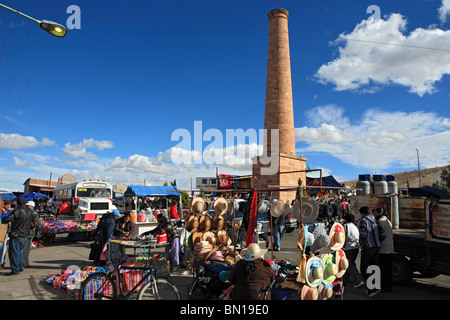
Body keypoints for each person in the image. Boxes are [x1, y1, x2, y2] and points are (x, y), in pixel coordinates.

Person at [358, 206, 386, 297]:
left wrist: (362, 242)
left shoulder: (363, 220)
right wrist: (377, 241)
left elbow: (363, 234)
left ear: (362, 213)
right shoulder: (375, 220)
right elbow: (383, 234)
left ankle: (371, 289)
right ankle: (376, 287)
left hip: (368, 247)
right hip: (376, 247)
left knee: (364, 269)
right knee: (374, 268)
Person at [1, 197, 33, 275]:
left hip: (17, 234)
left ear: (18, 203)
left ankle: (15, 269)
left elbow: (7, 219)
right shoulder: (29, 211)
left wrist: (4, 215)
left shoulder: (17, 211)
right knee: (19, 252)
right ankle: (20, 266)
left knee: (14, 252)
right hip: (24, 234)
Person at [343, 213, 365, 288]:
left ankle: (359, 280)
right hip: (356, 247)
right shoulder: (354, 226)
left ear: (346, 220)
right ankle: (345, 280)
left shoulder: (346, 226)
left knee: (350, 264)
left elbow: (343, 237)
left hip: (349, 247)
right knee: (348, 264)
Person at [374, 208, 394, 292]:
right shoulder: (387, 220)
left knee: (382, 268)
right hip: (390, 248)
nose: (374, 216)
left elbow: (380, 236)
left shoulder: (380, 222)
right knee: (388, 268)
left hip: (383, 249)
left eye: (375, 214)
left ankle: (383, 285)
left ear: (379, 213)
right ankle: (389, 285)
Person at [22, 201, 39, 269]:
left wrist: (27, 225)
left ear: (32, 206)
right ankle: (24, 262)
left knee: (25, 248)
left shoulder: (33, 213)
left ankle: (24, 262)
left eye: (28, 205)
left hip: (29, 233)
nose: (27, 206)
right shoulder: (30, 212)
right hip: (27, 232)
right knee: (25, 248)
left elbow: (35, 223)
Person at [0, 199, 12, 270]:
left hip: (5, 233)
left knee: (3, 249)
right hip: (2, 233)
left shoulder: (7, 212)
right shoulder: (3, 212)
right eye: (9, 205)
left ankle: (2, 262)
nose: (9, 206)